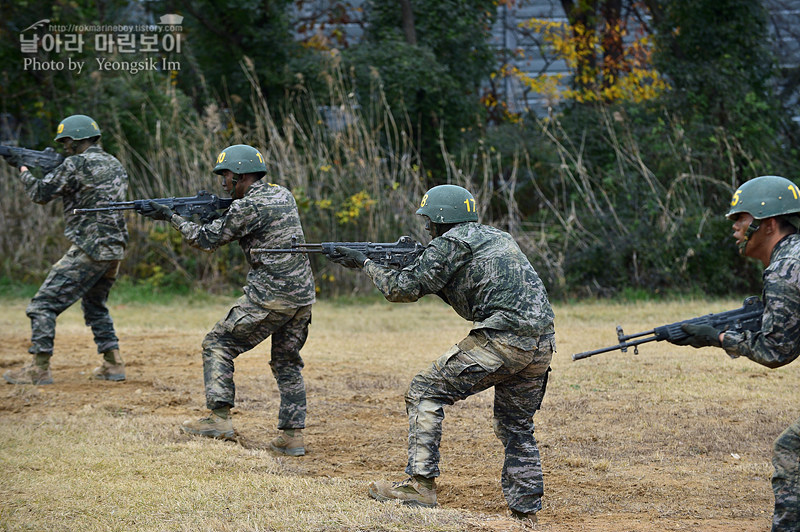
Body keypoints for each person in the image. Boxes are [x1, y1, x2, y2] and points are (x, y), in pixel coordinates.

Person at [334, 184, 556, 524]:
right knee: (516, 425)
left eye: (429, 222)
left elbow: (401, 289)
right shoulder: (495, 237)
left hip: (504, 340)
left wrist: (364, 263)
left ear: (441, 219)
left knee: (424, 390)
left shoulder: (449, 243)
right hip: (542, 343)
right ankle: (526, 512)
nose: (426, 230)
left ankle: (419, 485)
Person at [140, 144, 316, 454]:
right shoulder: (282, 194)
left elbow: (206, 239)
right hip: (302, 296)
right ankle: (292, 437)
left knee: (218, 343)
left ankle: (218, 418)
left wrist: (171, 217)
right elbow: (251, 221)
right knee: (287, 363)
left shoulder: (245, 207)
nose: (223, 182)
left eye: (226, 176)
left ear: (240, 176)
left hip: (270, 297)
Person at [671, 175, 800, 531]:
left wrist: (719, 337)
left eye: (740, 220)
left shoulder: (785, 270)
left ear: (768, 223)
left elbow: (777, 351)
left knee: (793, 450)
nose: (735, 230)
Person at [4, 114, 129, 385]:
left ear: (74, 140)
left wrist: (24, 170)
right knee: (95, 305)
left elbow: (40, 194)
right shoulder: (114, 163)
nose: (64, 147)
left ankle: (38, 369)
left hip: (90, 248)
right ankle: (114, 364)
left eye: (65, 142)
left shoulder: (75, 163)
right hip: (115, 248)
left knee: (42, 305)